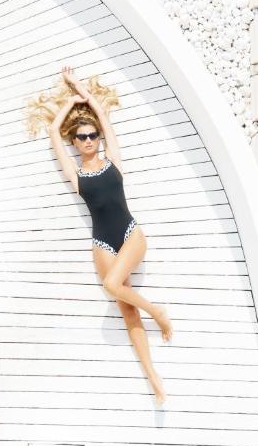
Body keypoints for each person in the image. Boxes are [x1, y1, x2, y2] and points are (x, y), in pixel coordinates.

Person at [25, 66, 172, 405]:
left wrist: (80, 90)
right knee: (125, 308)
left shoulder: (113, 162)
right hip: (102, 243)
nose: (89, 140)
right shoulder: (76, 176)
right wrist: (68, 105)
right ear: (74, 143)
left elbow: (105, 118)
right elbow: (51, 131)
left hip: (130, 233)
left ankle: (158, 312)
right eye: (82, 137)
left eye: (93, 136)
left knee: (112, 286)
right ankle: (152, 376)